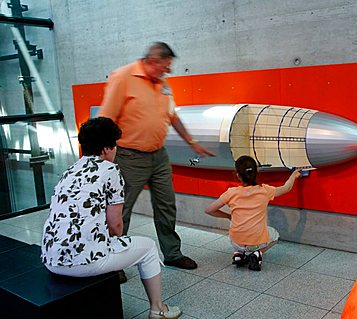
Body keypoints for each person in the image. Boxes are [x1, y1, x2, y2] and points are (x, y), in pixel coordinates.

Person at [41, 117, 182, 319]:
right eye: (115, 145)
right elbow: (116, 226)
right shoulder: (110, 169)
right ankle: (158, 309)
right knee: (149, 248)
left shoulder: (70, 170)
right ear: (107, 149)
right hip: (83, 261)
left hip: (51, 257)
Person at [99, 42, 214, 274]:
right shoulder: (122, 77)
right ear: (151, 62)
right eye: (165, 66)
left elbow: (172, 115)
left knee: (166, 205)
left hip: (159, 156)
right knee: (121, 210)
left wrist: (192, 142)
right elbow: (105, 119)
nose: (168, 71)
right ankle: (114, 261)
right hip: (129, 156)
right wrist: (103, 159)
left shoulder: (162, 83)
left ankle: (172, 253)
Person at [205, 155, 301, 271]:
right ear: (257, 173)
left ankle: (239, 254)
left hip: (236, 241)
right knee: (275, 235)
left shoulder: (231, 193)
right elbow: (286, 188)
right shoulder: (265, 191)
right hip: (257, 242)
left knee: (234, 221)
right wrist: (294, 175)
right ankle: (257, 253)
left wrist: (228, 216)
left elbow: (209, 210)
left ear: (238, 175)